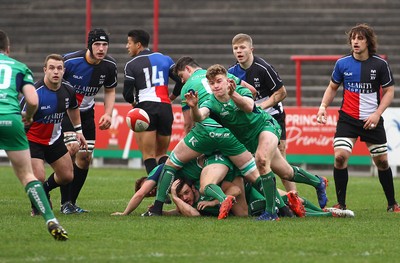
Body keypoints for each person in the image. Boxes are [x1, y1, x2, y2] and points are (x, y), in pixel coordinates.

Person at [142, 58, 281, 221]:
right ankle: (282, 207)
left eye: (181, 76)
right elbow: (252, 91)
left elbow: (189, 123)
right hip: (231, 134)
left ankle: (157, 208)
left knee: (172, 163)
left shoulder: (187, 87)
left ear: (187, 69)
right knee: (253, 174)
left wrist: (191, 146)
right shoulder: (223, 75)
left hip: (204, 132)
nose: (181, 80)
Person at [186, 64, 328, 219]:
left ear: (227, 80)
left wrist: (234, 95)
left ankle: (271, 212)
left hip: (266, 126)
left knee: (261, 160)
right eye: (212, 83)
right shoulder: (211, 102)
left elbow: (248, 107)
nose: (215, 86)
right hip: (251, 141)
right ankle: (318, 181)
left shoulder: (240, 90)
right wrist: (193, 107)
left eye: (219, 81)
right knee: (286, 172)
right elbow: (200, 116)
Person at [316, 23, 399, 212]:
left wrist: (377, 114)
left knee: (382, 162)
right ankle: (341, 203)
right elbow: (332, 87)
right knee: (339, 157)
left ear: (368, 42)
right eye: (353, 38)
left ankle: (392, 204)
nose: (355, 41)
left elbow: (389, 92)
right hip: (348, 119)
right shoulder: (342, 63)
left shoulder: (380, 64)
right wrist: (323, 107)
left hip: (372, 120)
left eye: (360, 38)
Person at [0, 30, 67, 240]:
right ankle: (50, 218)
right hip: (12, 120)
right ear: (8, 49)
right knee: (28, 176)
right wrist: (28, 116)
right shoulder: (19, 67)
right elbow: (33, 100)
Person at [58, 28, 117, 214]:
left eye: (105, 44)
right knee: (71, 150)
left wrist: (108, 113)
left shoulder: (109, 65)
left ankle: (71, 203)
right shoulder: (69, 61)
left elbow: (110, 90)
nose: (101, 48)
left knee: (84, 158)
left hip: (87, 114)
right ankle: (64, 202)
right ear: (89, 45)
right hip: (65, 113)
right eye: (97, 44)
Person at [228, 33, 296, 192]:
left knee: (280, 157)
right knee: (257, 160)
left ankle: (294, 197)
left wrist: (260, 107)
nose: (239, 51)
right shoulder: (231, 72)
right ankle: (266, 197)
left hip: (272, 115)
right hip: (250, 118)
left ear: (251, 49)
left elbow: (281, 93)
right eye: (235, 48)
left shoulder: (263, 68)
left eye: (242, 47)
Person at [21, 54, 87, 216]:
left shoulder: (68, 90)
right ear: (45, 70)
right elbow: (19, 118)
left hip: (54, 139)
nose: (55, 72)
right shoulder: (34, 93)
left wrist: (79, 131)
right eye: (51, 68)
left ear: (64, 71)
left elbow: (73, 108)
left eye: (59, 68)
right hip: (33, 140)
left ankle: (44, 190)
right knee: (38, 176)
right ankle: (36, 207)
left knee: (67, 176)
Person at [122, 29, 183, 175]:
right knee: (162, 154)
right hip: (165, 107)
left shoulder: (131, 65)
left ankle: (154, 187)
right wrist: (172, 97)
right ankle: (165, 190)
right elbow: (181, 80)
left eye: (129, 43)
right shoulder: (165, 59)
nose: (126, 46)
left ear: (138, 45)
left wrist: (133, 102)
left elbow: (126, 93)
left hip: (145, 108)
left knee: (148, 154)